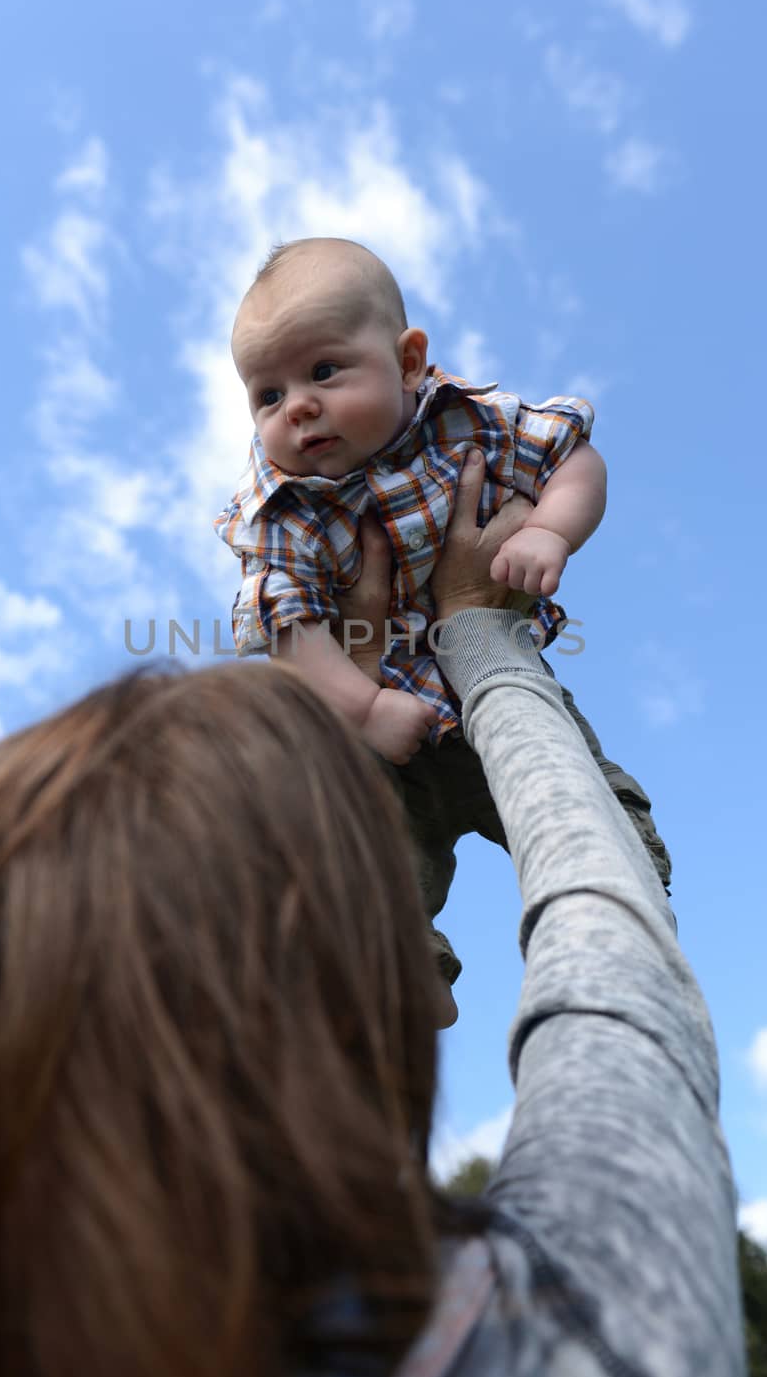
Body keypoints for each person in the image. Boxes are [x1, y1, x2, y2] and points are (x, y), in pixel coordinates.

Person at [0, 454, 746, 1377]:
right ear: (393, 1000)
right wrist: (477, 632)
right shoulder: (560, 1346)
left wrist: (345, 674)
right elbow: (609, 937)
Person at [215, 237, 671, 991]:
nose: (296, 406)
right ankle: (397, 962)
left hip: (501, 693)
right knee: (365, 837)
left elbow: (573, 458)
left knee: (574, 787)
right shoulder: (282, 510)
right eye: (267, 395)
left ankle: (627, 887)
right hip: (389, 724)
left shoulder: (469, 424)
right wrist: (361, 710)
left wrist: (551, 528)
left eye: (324, 371)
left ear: (408, 361)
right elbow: (285, 625)